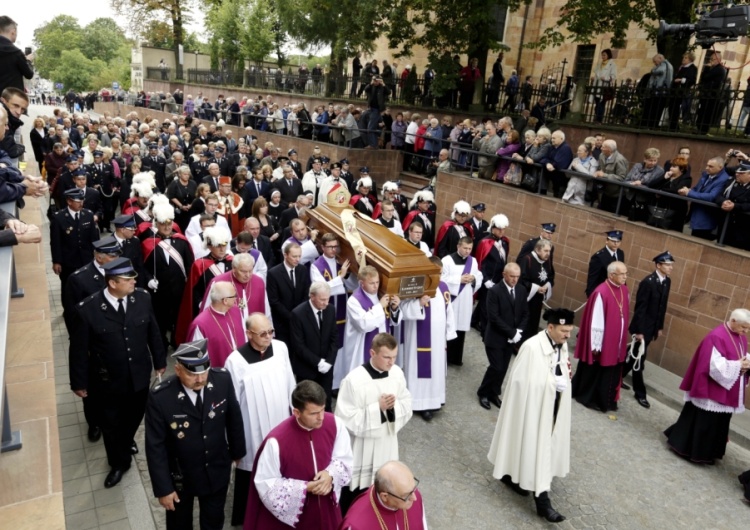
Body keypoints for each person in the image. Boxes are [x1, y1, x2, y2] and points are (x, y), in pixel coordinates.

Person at [68, 257, 166, 488]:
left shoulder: (142, 298)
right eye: (128, 279)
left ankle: (126, 439)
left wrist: (160, 361)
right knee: (111, 424)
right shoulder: (88, 310)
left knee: (134, 416)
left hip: (139, 376)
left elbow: (153, 331)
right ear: (112, 283)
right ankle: (119, 463)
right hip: (107, 381)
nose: (134, 281)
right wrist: (78, 382)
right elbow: (79, 350)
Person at [145, 339, 246, 530]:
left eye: (203, 372)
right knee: (179, 524)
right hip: (181, 477)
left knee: (214, 521)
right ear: (177, 369)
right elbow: (155, 446)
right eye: (192, 374)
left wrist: (237, 452)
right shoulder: (161, 397)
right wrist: (163, 488)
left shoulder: (222, 380)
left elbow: (234, 418)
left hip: (216, 469)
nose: (200, 379)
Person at [487, 308, 574, 524]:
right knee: (535, 445)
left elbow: (562, 368)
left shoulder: (562, 346)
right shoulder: (532, 347)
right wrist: (552, 384)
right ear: (550, 327)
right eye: (564, 331)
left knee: (539, 444)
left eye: (570, 331)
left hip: (552, 405)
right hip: (532, 407)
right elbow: (519, 382)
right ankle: (543, 503)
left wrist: (561, 381)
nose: (567, 336)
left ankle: (513, 475)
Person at [245, 380, 353, 529]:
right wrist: (305, 488)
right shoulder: (276, 442)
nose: (321, 417)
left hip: (328, 511)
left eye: (322, 409)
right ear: (296, 412)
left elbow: (344, 459)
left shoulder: (335, 424)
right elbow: (267, 484)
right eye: (314, 413)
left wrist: (330, 474)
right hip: (298, 519)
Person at [224, 313, 296, 526]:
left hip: (282, 421)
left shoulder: (281, 348)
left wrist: (294, 411)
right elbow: (233, 404)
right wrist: (234, 442)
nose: (268, 337)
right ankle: (247, 515)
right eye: (262, 333)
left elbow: (290, 380)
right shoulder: (235, 361)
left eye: (271, 331)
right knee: (253, 468)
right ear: (248, 334)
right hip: (252, 427)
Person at [335, 333, 413, 513]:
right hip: (362, 447)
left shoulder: (397, 374)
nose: (391, 362)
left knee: (386, 487)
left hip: (386, 442)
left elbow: (407, 402)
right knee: (356, 492)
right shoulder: (354, 380)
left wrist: (394, 407)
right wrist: (377, 408)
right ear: (372, 353)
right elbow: (345, 418)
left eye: (394, 357)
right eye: (386, 357)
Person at [664, 309, 750, 464]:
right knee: (704, 421)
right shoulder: (716, 336)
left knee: (720, 422)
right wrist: (738, 365)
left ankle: (710, 452)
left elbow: (741, 355)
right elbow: (714, 366)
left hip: (727, 389)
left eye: (748, 328)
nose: (746, 331)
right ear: (734, 321)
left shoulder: (741, 337)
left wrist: (745, 364)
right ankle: (691, 450)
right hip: (711, 388)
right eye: (744, 327)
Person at [400, 256, 456, 421]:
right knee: (418, 368)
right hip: (418, 339)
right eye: (434, 273)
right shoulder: (416, 285)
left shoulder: (443, 287)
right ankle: (418, 403)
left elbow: (449, 311)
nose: (437, 277)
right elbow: (403, 309)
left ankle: (433, 401)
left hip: (438, 340)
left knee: (436, 369)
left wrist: (449, 332)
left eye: (439, 273)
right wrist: (418, 304)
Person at [572, 261, 630, 412]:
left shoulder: (624, 290)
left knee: (612, 370)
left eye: (626, 273)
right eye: (622, 274)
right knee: (596, 370)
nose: (625, 276)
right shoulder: (601, 292)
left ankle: (608, 400)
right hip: (603, 342)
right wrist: (596, 345)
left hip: (616, 340)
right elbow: (596, 321)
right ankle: (589, 397)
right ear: (612, 275)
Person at [336, 266, 402, 390]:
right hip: (361, 347)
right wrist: (380, 306)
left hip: (382, 343)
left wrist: (395, 308)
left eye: (377, 282)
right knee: (362, 383)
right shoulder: (354, 301)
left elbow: (393, 322)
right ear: (362, 283)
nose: (376, 286)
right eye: (371, 283)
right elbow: (364, 324)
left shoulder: (381, 294)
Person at [621, 252, 674, 409]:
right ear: (658, 265)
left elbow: (662, 307)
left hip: (652, 328)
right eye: (668, 265)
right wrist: (639, 331)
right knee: (639, 359)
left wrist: (659, 326)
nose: (671, 268)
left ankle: (616, 378)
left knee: (633, 357)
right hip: (642, 329)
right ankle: (640, 393)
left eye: (671, 265)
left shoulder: (667, 281)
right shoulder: (648, 282)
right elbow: (641, 309)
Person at [141, 203, 194, 350]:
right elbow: (143, 268)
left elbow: (190, 265)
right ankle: (161, 344)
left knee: (179, 318)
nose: (166, 227)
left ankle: (178, 342)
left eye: (169, 223)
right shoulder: (148, 243)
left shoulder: (182, 241)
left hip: (179, 288)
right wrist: (149, 279)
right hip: (159, 291)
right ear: (156, 224)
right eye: (163, 224)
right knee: (160, 320)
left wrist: (189, 282)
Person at [477, 262, 529, 411]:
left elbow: (525, 313)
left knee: (504, 367)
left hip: (511, 338)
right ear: (504, 275)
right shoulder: (495, 291)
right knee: (496, 366)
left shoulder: (521, 290)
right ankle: (483, 393)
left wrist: (518, 331)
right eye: (512, 276)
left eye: (517, 277)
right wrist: (511, 332)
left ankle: (494, 393)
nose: (514, 280)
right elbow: (493, 317)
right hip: (495, 337)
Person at [290, 282, 339, 411]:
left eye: (328, 298)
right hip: (307, 368)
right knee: (308, 404)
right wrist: (318, 362)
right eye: (322, 299)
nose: (326, 303)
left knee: (326, 402)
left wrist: (329, 361)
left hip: (326, 368)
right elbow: (299, 346)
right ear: (312, 296)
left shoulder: (330, 310)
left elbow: (334, 338)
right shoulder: (298, 314)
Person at [339, 460, 428, 529]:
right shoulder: (356, 525)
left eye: (413, 488)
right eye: (406, 495)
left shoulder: (413, 495)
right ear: (385, 496)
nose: (415, 498)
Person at [442, 236, 482, 366]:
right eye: (465, 248)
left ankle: (456, 357)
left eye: (470, 249)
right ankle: (445, 357)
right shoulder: (447, 260)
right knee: (449, 325)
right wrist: (459, 279)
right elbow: (441, 280)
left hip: (465, 298)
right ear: (458, 246)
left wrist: (473, 278)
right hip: (452, 299)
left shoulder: (473, 261)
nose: (467, 251)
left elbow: (478, 275)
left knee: (461, 328)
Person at [186, 281, 245, 367]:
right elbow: (197, 359)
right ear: (225, 301)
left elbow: (245, 336)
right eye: (234, 296)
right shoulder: (200, 324)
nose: (236, 298)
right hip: (218, 374)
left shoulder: (236, 311)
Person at [50, 188, 100, 288]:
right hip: (68, 262)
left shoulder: (88, 215)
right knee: (69, 288)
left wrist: (97, 255)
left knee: (87, 287)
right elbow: (56, 242)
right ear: (69, 201)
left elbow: (94, 238)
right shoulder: (58, 217)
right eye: (78, 201)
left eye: (82, 201)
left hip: (86, 260)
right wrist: (56, 261)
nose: (81, 204)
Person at [202, 252, 270, 323]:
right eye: (243, 271)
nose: (248, 275)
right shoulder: (218, 283)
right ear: (234, 268)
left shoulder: (259, 282)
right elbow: (206, 311)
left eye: (250, 271)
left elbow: (266, 310)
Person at [472, 213, 510, 334]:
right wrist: (486, 279)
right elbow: (480, 263)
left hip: (498, 278)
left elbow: (504, 260)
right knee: (486, 304)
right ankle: (485, 330)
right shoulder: (485, 242)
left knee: (487, 302)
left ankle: (473, 320)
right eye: (499, 229)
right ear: (493, 228)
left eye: (503, 229)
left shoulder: (505, 242)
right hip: (486, 278)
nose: (501, 231)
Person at [267, 242, 311, 343]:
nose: (298, 259)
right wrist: (291, 316)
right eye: (294, 256)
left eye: (299, 256)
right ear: (285, 255)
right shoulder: (274, 273)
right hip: (282, 322)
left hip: (301, 320)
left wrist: (300, 314)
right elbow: (274, 301)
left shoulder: (302, 270)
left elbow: (306, 293)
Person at [677, 156, 729, 240]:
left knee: (699, 240)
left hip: (706, 219)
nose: (707, 168)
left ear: (720, 167)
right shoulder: (706, 175)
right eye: (707, 165)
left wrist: (689, 193)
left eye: (711, 166)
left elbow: (711, 196)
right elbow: (697, 189)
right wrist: (688, 190)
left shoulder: (723, 179)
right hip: (696, 213)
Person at [716, 160, 750, 251]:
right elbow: (719, 195)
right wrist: (723, 202)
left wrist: (735, 206)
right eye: (737, 172)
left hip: (742, 229)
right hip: (726, 226)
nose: (737, 174)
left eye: (741, 173)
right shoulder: (731, 183)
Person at [585, 230, 625, 298]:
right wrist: (592, 297)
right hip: (603, 293)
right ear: (607, 240)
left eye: (618, 241)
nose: (616, 244)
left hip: (616, 293)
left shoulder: (620, 253)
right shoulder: (598, 257)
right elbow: (592, 280)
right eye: (613, 241)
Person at [696, 51, 727, 135]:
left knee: (707, 113)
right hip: (706, 93)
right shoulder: (713, 68)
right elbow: (703, 79)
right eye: (710, 59)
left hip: (711, 95)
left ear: (718, 59)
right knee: (702, 111)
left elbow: (706, 77)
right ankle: (699, 127)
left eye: (712, 59)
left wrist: (706, 68)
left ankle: (703, 129)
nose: (711, 61)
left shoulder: (719, 69)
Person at [0, 17, 34, 94]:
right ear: (13, 32)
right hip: (11, 98)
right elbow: (29, 74)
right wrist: (28, 61)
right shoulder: (16, 53)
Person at [592, 49, 617, 124]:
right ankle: (596, 117)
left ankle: (599, 119)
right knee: (597, 102)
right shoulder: (600, 64)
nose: (602, 57)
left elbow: (613, 77)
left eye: (604, 55)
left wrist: (606, 78)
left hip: (604, 87)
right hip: (597, 85)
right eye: (602, 55)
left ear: (608, 55)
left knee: (601, 103)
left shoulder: (612, 64)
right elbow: (597, 73)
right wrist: (594, 78)